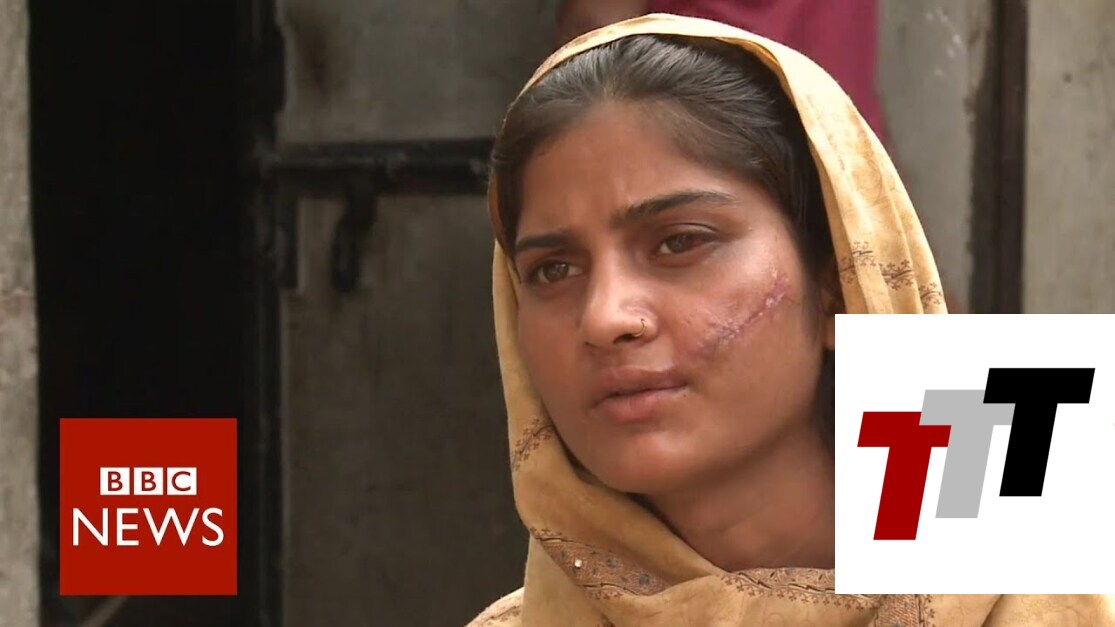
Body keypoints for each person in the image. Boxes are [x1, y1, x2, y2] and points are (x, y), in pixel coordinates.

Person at [468, 15, 1113, 627]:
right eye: (553, 270)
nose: (606, 316)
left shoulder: (1076, 581)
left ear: (838, 282)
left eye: (679, 242)